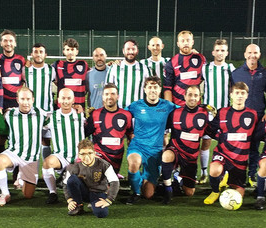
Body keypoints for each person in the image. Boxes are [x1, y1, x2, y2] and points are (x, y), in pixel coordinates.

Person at [203, 82, 259, 205]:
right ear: (231, 95)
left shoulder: (253, 114)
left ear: (247, 96)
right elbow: (210, 130)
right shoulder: (222, 112)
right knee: (214, 170)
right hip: (223, 152)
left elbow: (257, 135)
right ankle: (215, 191)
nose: (239, 96)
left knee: (239, 195)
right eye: (237, 93)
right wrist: (221, 137)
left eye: (242, 93)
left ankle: (226, 178)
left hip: (240, 158)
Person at [125, 76, 178, 204]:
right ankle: (135, 192)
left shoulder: (167, 105)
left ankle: (145, 181)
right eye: (149, 87)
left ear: (160, 89)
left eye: (155, 87)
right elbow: (120, 115)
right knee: (134, 163)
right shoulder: (136, 106)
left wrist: (201, 109)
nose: (152, 90)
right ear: (144, 89)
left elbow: (184, 112)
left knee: (148, 194)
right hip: (138, 146)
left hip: (155, 150)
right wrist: (129, 133)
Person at [0, 87, 49, 206]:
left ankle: (20, 176)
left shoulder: (41, 113)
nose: (25, 102)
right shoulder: (9, 114)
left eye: (28, 99)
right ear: (17, 100)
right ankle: (5, 193)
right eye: (22, 99)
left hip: (31, 159)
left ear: (33, 100)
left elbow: (57, 117)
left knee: (28, 195)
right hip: (14, 153)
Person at [160, 86, 212, 204]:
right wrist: (164, 150)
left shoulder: (205, 114)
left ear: (199, 97)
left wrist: (216, 116)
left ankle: (177, 178)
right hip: (176, 149)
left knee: (189, 192)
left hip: (191, 156)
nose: (192, 98)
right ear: (184, 96)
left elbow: (212, 133)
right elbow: (165, 132)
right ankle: (168, 190)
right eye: (189, 95)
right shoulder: (175, 113)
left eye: (195, 95)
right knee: (167, 156)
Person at [231, 44, 266, 186]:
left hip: (258, 117)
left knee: (254, 147)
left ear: (259, 55)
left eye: (255, 53)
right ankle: (236, 174)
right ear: (245, 54)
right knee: (238, 146)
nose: (252, 55)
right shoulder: (236, 73)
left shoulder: (265, 73)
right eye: (250, 52)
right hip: (240, 116)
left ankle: (252, 174)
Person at [199, 39, 235, 184]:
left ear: (227, 53)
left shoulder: (231, 68)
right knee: (206, 143)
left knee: (225, 145)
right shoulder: (205, 68)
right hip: (208, 113)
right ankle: (203, 172)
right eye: (217, 50)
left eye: (223, 50)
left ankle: (225, 174)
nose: (220, 53)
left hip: (225, 114)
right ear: (213, 52)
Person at [43, 88, 86, 204]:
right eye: (63, 98)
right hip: (60, 156)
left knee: (79, 190)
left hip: (79, 158)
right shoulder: (52, 117)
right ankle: (53, 192)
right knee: (47, 162)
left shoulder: (81, 114)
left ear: (74, 100)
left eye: (68, 98)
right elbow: (39, 129)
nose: (66, 101)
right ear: (58, 100)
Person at [85, 83, 133, 177]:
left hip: (116, 158)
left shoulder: (126, 115)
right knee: (96, 178)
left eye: (112, 94)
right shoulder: (95, 114)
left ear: (118, 96)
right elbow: (83, 133)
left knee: (108, 186)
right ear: (102, 97)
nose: (109, 97)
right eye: (106, 94)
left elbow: (130, 134)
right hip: (98, 155)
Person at [65, 139, 119, 218]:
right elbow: (65, 183)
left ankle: (93, 204)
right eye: (83, 154)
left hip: (98, 193)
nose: (86, 157)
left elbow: (115, 181)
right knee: (72, 179)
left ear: (94, 153)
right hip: (82, 193)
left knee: (101, 214)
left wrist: (109, 200)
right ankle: (79, 206)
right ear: (79, 155)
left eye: (89, 153)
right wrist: (69, 200)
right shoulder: (73, 167)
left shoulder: (104, 164)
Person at [164, 31, 207, 106]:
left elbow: (203, 77)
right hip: (178, 105)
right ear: (178, 44)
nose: (186, 43)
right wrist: (169, 108)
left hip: (196, 106)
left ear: (192, 42)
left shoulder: (201, 59)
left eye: (188, 40)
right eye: (182, 41)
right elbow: (167, 88)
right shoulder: (171, 62)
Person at [107, 40, 150, 108]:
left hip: (139, 109)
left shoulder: (144, 68)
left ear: (137, 51)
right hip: (119, 109)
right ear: (123, 51)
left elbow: (149, 90)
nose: (130, 52)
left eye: (133, 49)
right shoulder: (114, 67)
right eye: (128, 49)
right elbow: (108, 89)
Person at [53, 38, 88, 109]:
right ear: (64, 51)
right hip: (62, 107)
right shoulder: (57, 64)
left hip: (79, 107)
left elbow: (95, 71)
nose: (70, 52)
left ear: (77, 52)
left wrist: (107, 65)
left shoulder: (83, 64)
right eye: (68, 50)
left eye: (72, 50)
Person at [0, 30, 26, 110]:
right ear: (1, 43)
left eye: (11, 41)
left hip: (17, 100)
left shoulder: (21, 60)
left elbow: (24, 78)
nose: (8, 43)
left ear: (15, 43)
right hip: (0, 100)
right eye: (5, 41)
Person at [25, 43, 55, 112]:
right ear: (32, 54)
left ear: (45, 55)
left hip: (47, 111)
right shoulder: (25, 69)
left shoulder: (51, 69)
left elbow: (58, 83)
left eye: (41, 52)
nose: (38, 54)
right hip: (30, 110)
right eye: (35, 52)